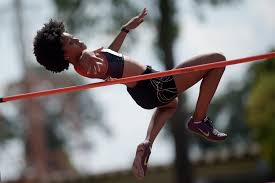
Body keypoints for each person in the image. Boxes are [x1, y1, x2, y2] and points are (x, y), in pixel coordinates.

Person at [33, 8, 227, 180]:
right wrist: (86, 54)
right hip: (154, 84)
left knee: (170, 104)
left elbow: (111, 56)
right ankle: (199, 120)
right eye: (70, 41)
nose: (76, 38)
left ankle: (147, 142)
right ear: (64, 55)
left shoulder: (86, 66)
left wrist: (124, 30)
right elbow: (88, 59)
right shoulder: (85, 61)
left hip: (143, 92)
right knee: (217, 61)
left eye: (72, 36)